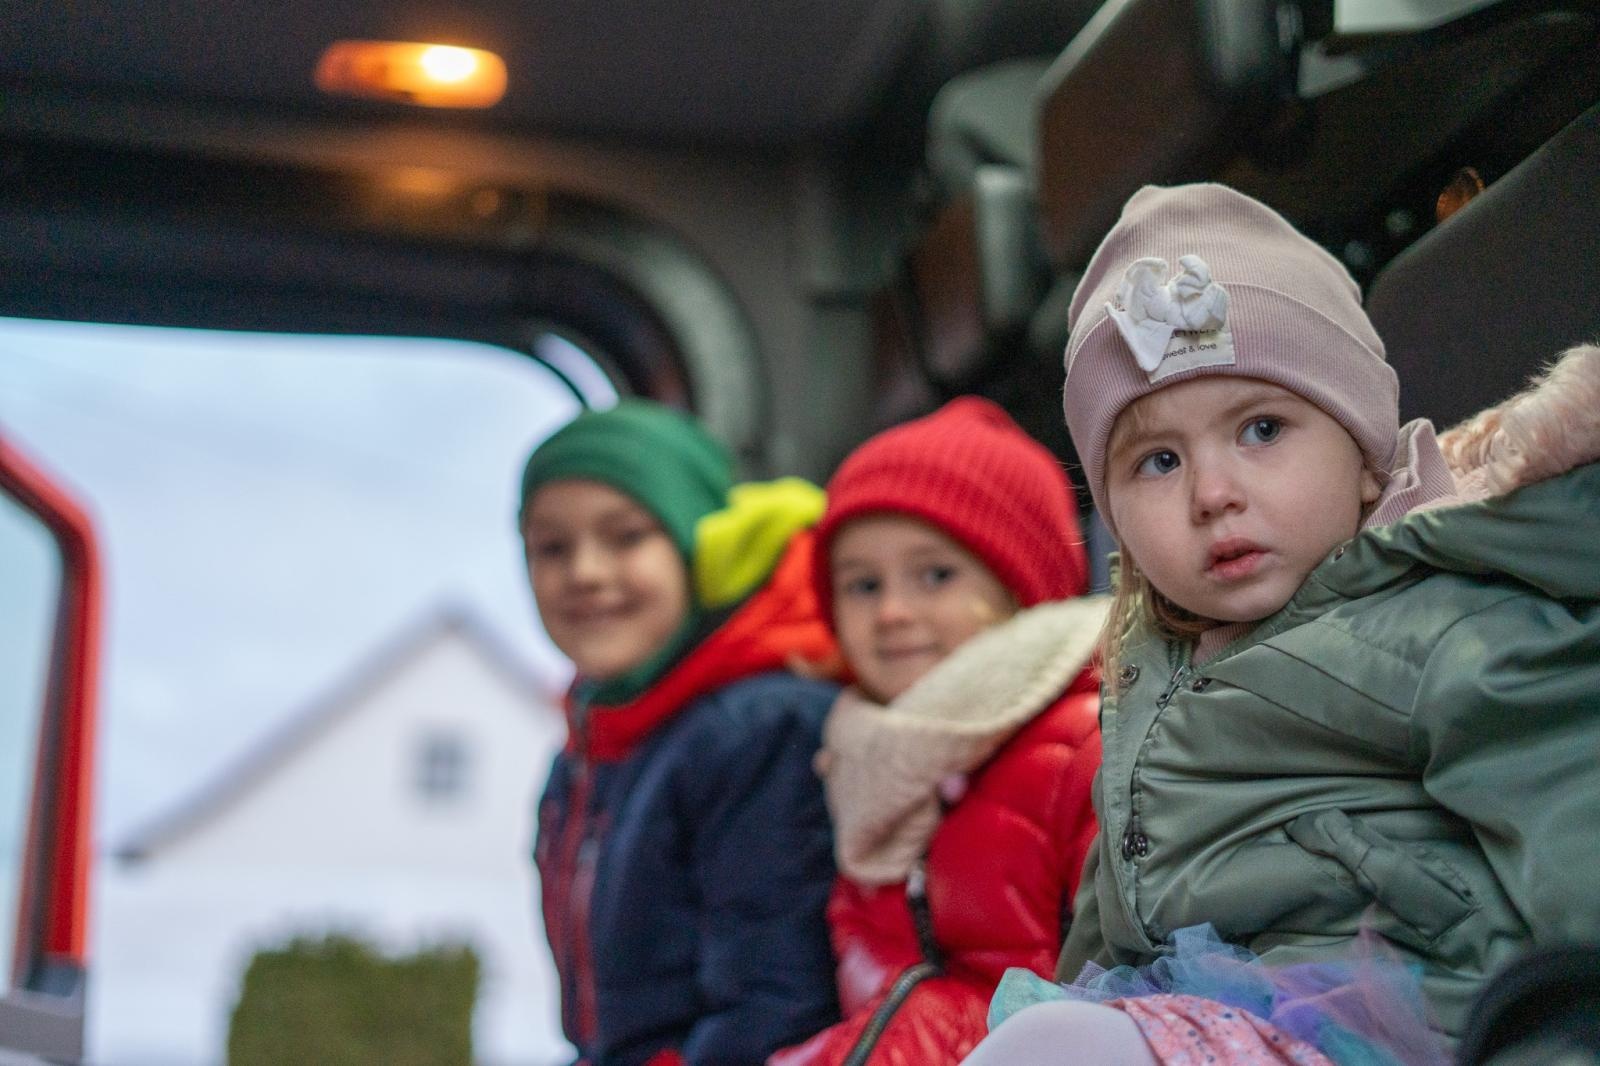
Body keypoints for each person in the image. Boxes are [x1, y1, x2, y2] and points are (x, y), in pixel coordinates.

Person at [963, 183, 1600, 1065]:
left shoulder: (1440, 613)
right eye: (1158, 461)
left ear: (1367, 458)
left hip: (1408, 1024)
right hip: (1198, 1015)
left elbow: (1569, 812)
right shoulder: (1152, 672)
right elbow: (1105, 924)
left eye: (1262, 429)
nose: (1213, 492)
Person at [769, 397, 1109, 1066]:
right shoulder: (861, 759)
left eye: (935, 575)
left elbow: (1114, 998)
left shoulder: (1083, 745)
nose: (893, 612)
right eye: (863, 585)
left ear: (1020, 586)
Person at [519, 400, 842, 1066]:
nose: (585, 572)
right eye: (551, 547)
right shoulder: (592, 752)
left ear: (699, 547)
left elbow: (773, 1011)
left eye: (626, 536)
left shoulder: (760, 732)